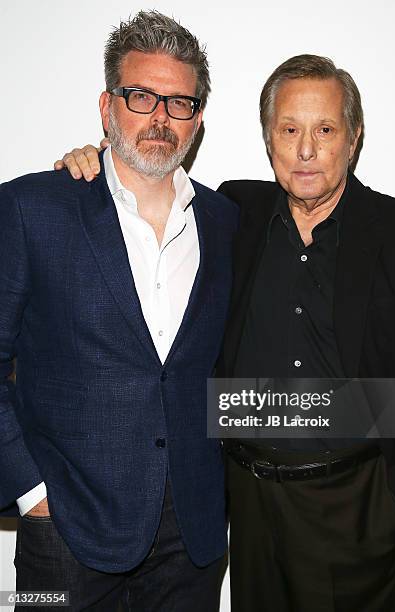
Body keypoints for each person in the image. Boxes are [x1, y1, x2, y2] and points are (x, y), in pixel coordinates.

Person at [56, 55, 395, 611]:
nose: (307, 150)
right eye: (289, 130)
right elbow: (147, 180)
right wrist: (94, 162)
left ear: (354, 137)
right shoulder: (232, 212)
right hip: (245, 508)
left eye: (325, 130)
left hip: (358, 508)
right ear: (269, 137)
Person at [0, 10, 237, 611]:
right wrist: (33, 495)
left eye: (178, 102)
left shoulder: (227, 220)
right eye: (141, 96)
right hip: (63, 534)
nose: (160, 116)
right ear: (107, 107)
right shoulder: (31, 208)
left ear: (198, 121)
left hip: (194, 539)